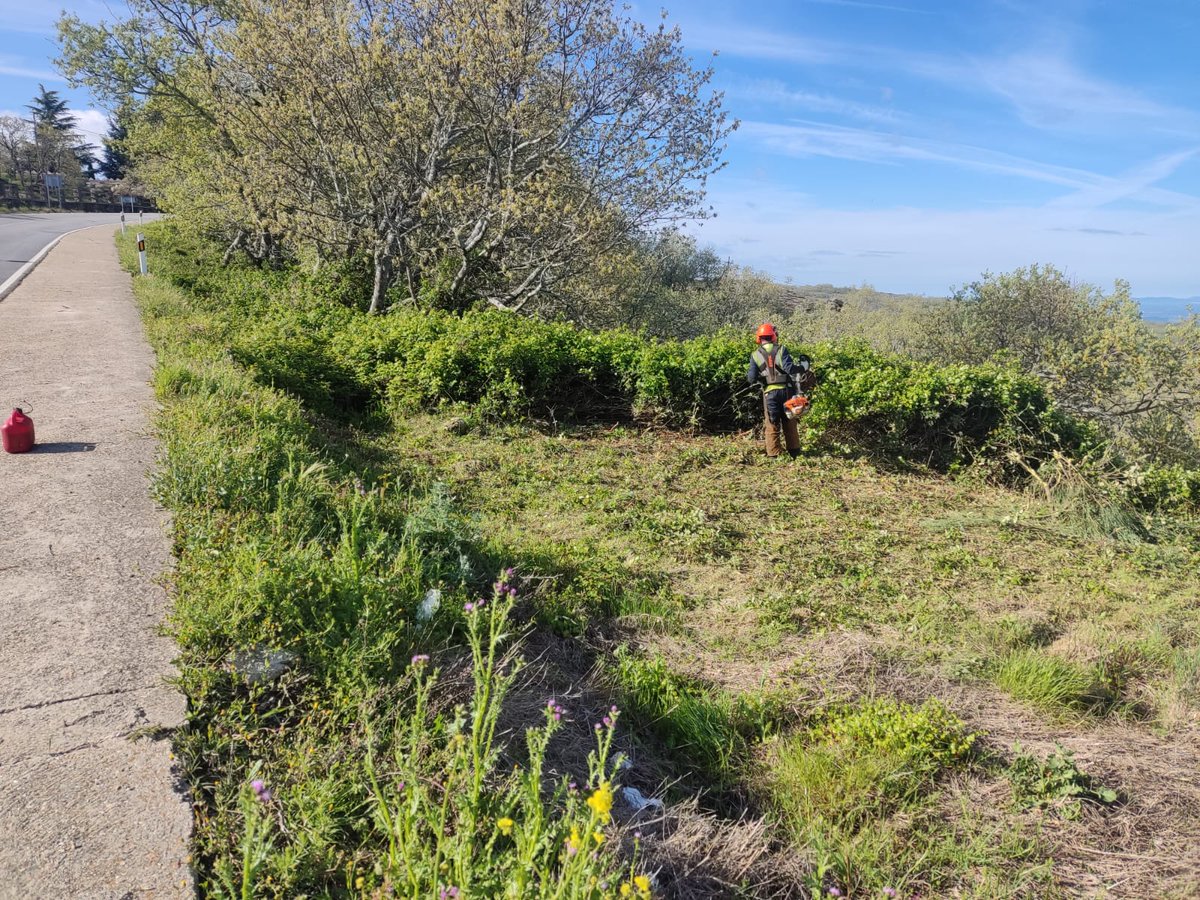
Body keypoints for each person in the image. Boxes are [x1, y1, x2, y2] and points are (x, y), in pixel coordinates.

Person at [746, 322, 811, 458]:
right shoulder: (781, 349)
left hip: (769, 394)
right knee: (789, 420)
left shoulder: (755, 355)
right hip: (786, 391)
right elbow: (790, 369)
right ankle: (794, 452)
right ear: (774, 336)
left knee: (772, 422)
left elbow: (751, 378)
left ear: (759, 338)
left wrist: (764, 378)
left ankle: (774, 454)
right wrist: (803, 367)